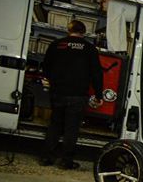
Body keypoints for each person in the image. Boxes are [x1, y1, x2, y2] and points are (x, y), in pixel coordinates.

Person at [39, 20, 103, 170]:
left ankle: (47, 157)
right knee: (71, 128)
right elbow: (97, 73)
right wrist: (99, 95)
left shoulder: (57, 45)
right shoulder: (89, 48)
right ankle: (66, 161)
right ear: (84, 32)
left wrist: (53, 81)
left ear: (69, 30)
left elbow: (46, 67)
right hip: (78, 95)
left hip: (58, 93)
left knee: (55, 125)